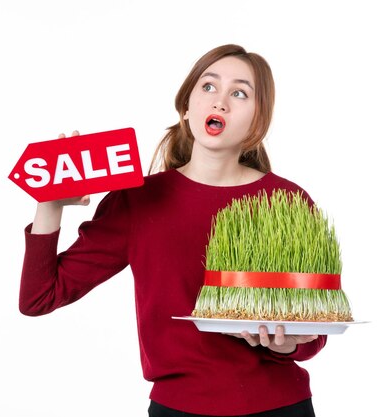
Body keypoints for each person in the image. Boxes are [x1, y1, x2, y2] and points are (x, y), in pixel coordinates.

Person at [18, 44, 323, 417]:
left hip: (280, 406)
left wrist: (285, 345)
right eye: (208, 87)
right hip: (178, 409)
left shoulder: (287, 201)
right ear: (185, 107)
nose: (221, 102)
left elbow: (314, 334)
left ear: (258, 120)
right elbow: (39, 298)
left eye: (239, 93)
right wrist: (49, 204)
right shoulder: (138, 201)